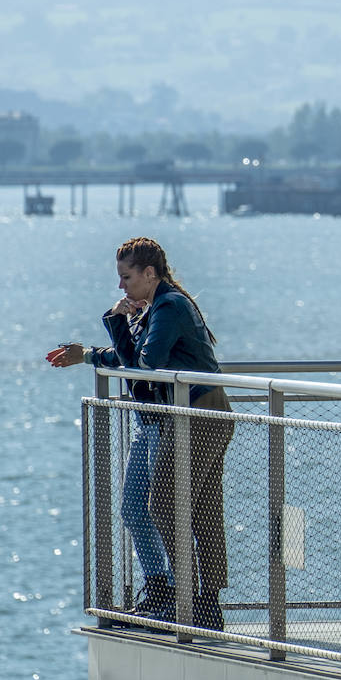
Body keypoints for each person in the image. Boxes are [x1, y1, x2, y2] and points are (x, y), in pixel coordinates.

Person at [47, 237, 234, 632]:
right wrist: (90, 354)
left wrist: (117, 323)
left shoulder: (169, 306)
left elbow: (143, 368)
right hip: (173, 415)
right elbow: (134, 359)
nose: (121, 287)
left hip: (199, 414)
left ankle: (191, 601)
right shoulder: (155, 307)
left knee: (174, 509)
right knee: (157, 509)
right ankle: (177, 597)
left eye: (127, 277)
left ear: (150, 274)